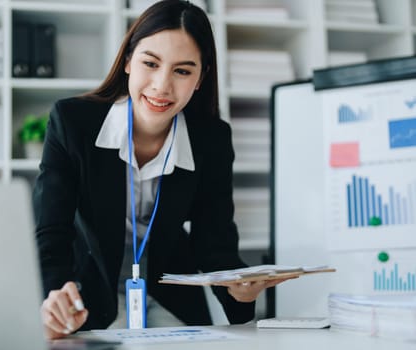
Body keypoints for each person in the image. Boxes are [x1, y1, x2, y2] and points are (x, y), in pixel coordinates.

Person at [33, 0, 291, 340]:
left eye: (182, 71)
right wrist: (53, 293)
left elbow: (215, 243)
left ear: (201, 78)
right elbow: (51, 230)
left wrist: (239, 288)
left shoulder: (211, 139)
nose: (161, 86)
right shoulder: (72, 123)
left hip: (168, 287)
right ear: (127, 61)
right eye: (150, 63)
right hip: (89, 285)